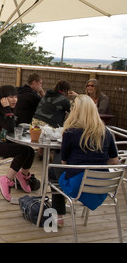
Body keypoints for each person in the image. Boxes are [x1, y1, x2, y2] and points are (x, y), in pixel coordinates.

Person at [49, 95, 118, 227]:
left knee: (53, 171)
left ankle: (59, 215)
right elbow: (114, 161)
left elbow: (64, 163)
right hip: (103, 185)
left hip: (78, 186)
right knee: (57, 170)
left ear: (75, 111)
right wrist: (96, 162)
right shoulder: (106, 132)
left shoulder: (70, 132)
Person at [0, 85, 36, 202]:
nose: (15, 99)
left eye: (16, 96)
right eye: (11, 97)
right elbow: (10, 127)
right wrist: (7, 109)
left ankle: (22, 175)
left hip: (2, 143)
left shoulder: (9, 111)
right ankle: (6, 179)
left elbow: (12, 127)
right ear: (3, 99)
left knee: (30, 150)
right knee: (22, 151)